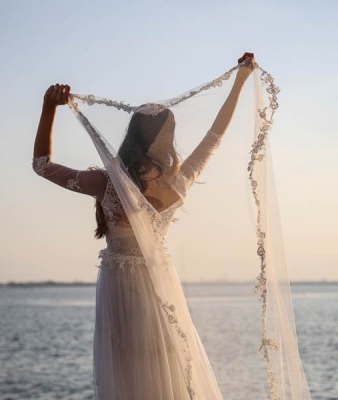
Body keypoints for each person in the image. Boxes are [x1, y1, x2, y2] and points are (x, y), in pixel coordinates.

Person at [32, 53, 255, 399]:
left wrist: (49, 108)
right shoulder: (177, 183)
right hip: (159, 288)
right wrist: (241, 79)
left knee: (127, 378)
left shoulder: (105, 183)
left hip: (118, 291)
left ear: (131, 134)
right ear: (166, 139)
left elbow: (42, 165)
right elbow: (215, 135)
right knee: (167, 374)